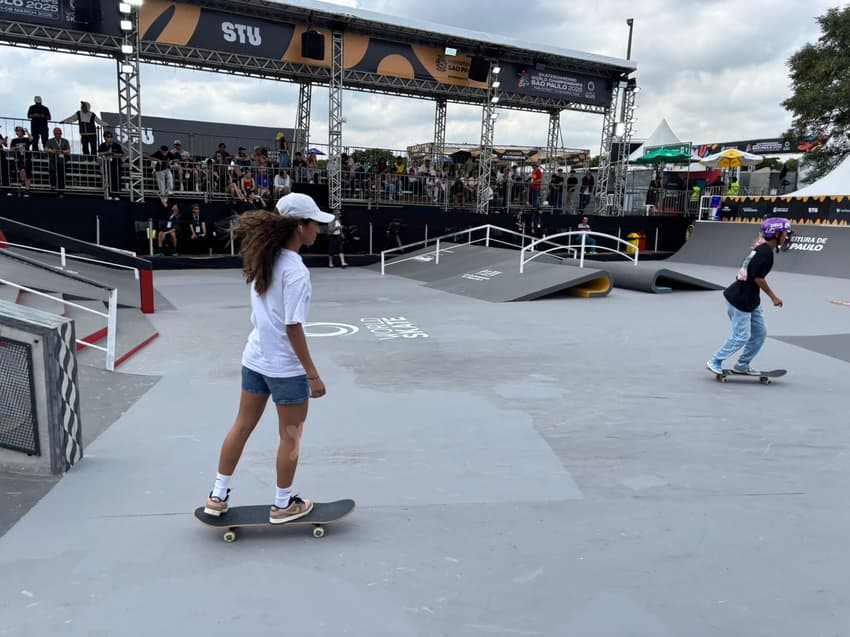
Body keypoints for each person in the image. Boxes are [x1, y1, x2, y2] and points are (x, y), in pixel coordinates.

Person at [204, 192, 334, 524]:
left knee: (242, 425)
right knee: (290, 435)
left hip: (255, 358)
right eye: (315, 224)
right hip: (285, 368)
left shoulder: (264, 256)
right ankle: (282, 504)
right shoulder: (296, 271)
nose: (318, 231)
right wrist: (313, 374)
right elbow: (293, 327)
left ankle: (217, 496)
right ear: (299, 227)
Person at [706, 218, 792, 376]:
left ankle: (742, 365)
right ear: (776, 234)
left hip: (750, 299)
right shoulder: (765, 252)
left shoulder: (763, 249)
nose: (787, 235)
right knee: (741, 335)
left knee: (760, 333)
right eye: (785, 232)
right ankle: (715, 360)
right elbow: (758, 278)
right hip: (740, 299)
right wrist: (774, 297)